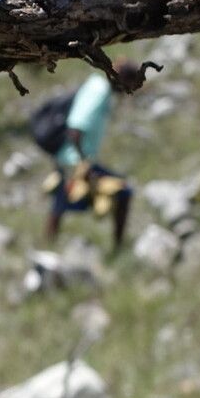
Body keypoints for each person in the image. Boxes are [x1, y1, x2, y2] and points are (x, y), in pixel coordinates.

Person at [43, 59, 141, 253]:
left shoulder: (98, 87)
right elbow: (75, 130)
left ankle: (48, 246)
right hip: (75, 162)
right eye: (129, 84)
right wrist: (84, 164)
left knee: (60, 204)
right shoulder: (99, 91)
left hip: (71, 160)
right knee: (123, 193)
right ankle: (118, 248)